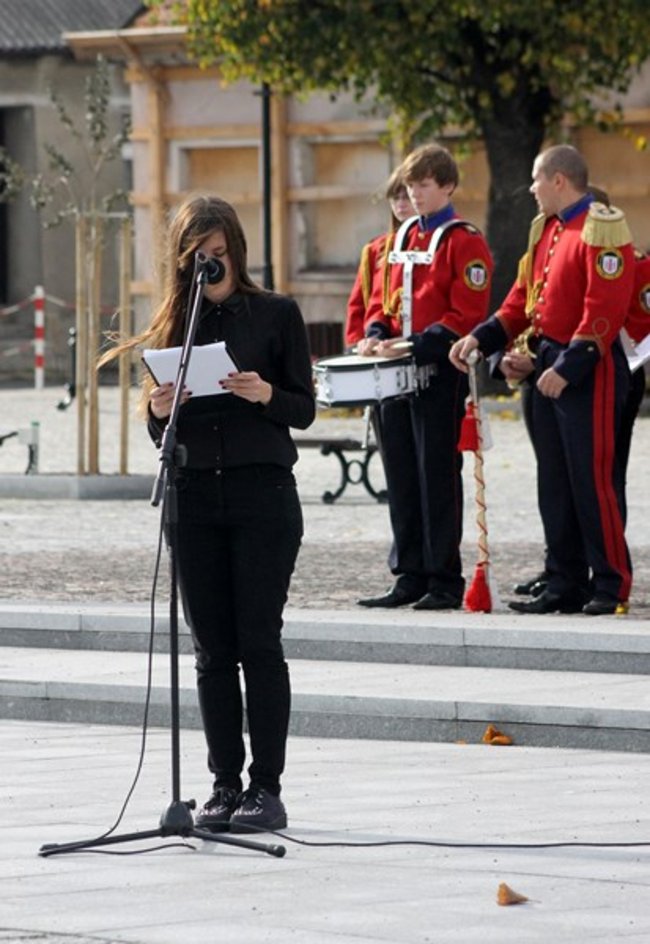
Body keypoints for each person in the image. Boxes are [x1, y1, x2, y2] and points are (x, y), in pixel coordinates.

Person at [99, 194, 315, 832]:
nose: (210, 267)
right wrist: (157, 410)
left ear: (235, 252)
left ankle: (266, 789)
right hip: (192, 498)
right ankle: (224, 785)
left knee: (258, 641)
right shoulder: (175, 323)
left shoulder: (276, 313)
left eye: (218, 255)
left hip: (261, 496)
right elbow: (156, 428)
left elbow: (304, 408)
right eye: (198, 258)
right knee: (211, 649)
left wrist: (265, 392)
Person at [450, 145, 635, 616]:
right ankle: (564, 581)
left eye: (536, 179)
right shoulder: (547, 229)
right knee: (554, 482)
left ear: (559, 180)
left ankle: (611, 583)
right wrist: (481, 338)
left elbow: (604, 309)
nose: (531, 188)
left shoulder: (602, 227)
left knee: (591, 481)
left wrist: (568, 368)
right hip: (547, 359)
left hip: (588, 366)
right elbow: (522, 301)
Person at [356, 142, 493, 610]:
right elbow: (382, 301)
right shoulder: (401, 238)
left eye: (424, 185)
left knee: (436, 476)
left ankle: (444, 578)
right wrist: (376, 332)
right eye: (410, 185)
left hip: (438, 372)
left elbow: (467, 311)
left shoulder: (464, 240)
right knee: (400, 475)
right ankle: (409, 573)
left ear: (448, 186)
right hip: (394, 372)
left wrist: (416, 343)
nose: (414, 193)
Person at [344, 167, 414, 348]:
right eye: (395, 198)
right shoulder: (376, 249)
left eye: (406, 197)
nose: (401, 204)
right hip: (379, 343)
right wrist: (360, 344)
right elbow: (360, 304)